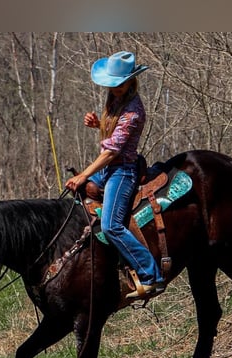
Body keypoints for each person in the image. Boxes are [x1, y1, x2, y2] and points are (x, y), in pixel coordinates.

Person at [65, 51, 165, 299]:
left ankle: (150, 274)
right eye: (112, 84)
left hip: (122, 170)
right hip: (109, 166)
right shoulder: (115, 100)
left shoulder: (134, 111)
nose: (114, 88)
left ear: (131, 81)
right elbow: (115, 135)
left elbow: (111, 152)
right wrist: (98, 125)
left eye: (119, 84)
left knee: (111, 225)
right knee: (79, 200)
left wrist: (83, 175)